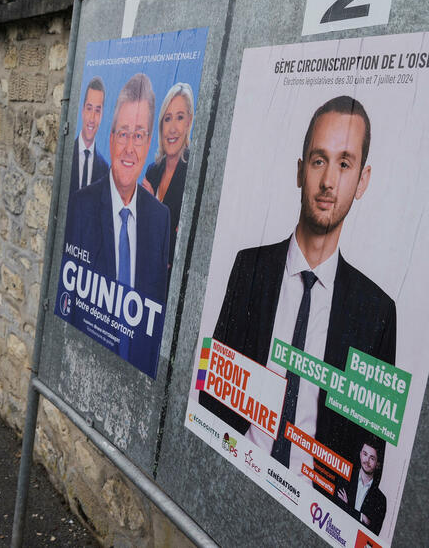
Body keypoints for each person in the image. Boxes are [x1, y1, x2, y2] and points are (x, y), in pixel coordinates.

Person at [199, 96, 396, 497]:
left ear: (363, 181)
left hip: (315, 509)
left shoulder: (377, 313)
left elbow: (369, 450)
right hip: (236, 475)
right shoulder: (249, 269)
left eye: (345, 164)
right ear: (299, 170)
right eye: (319, 160)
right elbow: (214, 391)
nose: (328, 182)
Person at [64, 72, 171, 308]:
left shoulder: (159, 219)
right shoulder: (82, 206)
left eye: (139, 135)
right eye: (123, 134)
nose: (130, 148)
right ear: (111, 139)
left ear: (150, 141)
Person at [141, 82, 194, 266]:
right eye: (167, 118)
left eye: (179, 117)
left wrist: (152, 209)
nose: (172, 128)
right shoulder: (153, 170)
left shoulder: (192, 174)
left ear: (189, 121)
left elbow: (182, 242)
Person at [69, 76, 110, 197]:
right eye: (89, 108)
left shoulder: (104, 168)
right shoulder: (67, 154)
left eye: (97, 111)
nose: (92, 118)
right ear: (82, 111)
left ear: (102, 115)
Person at [336, 441, 387, 535]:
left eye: (372, 458)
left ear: (378, 464)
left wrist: (347, 507)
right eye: (365, 454)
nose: (367, 461)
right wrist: (362, 517)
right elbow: (336, 508)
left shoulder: (381, 499)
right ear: (360, 454)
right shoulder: (344, 478)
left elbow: (373, 533)